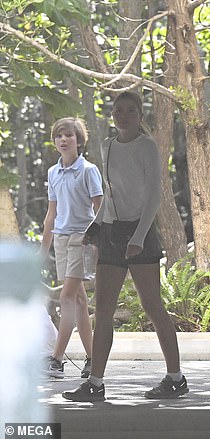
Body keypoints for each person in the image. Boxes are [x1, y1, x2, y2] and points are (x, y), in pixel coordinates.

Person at [62, 91, 188, 402]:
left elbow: (153, 197)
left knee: (152, 306)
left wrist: (138, 238)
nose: (123, 115)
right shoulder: (107, 146)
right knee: (103, 309)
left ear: (139, 115)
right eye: (119, 110)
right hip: (112, 231)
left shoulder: (147, 146)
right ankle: (95, 383)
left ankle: (176, 377)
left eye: (130, 110)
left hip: (140, 233)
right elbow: (111, 194)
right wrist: (97, 226)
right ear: (113, 114)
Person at [40, 117, 102, 379]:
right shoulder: (53, 173)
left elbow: (100, 210)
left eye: (69, 135)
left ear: (79, 140)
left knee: (66, 297)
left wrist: (100, 245)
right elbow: (51, 215)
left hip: (81, 239)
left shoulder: (88, 170)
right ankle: (93, 359)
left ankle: (56, 359)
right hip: (62, 241)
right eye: (59, 136)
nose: (63, 140)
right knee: (77, 300)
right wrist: (42, 253)